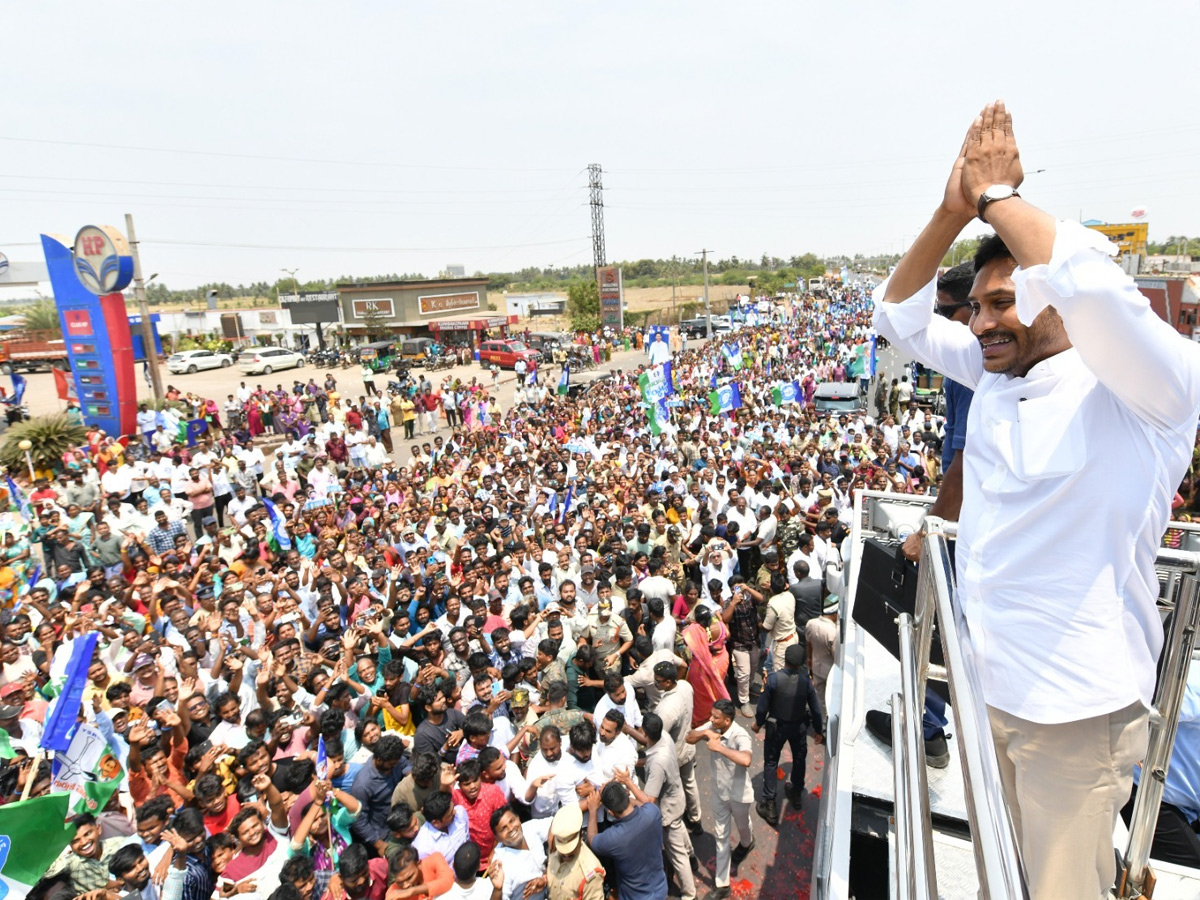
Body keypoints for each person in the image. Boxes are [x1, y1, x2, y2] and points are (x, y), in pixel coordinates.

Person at [873, 100, 1200, 898]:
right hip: (991, 688)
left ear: (1050, 300)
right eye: (977, 307)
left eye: (1001, 303)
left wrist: (997, 197)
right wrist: (952, 210)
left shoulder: (1144, 389)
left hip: (1076, 713)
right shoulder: (995, 372)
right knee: (1009, 875)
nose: (982, 321)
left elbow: (1095, 288)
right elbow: (897, 316)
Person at [687, 699, 753, 900]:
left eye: (715, 717)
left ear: (727, 720)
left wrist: (720, 748)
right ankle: (722, 884)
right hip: (719, 794)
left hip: (740, 795)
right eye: (711, 715)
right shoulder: (712, 725)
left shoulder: (740, 734)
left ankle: (747, 842)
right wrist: (705, 733)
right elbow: (689, 737)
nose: (711, 719)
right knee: (721, 837)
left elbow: (746, 759)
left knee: (743, 827)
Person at [752, 643, 824, 825]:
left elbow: (763, 706)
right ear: (801, 663)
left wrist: (758, 723)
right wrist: (818, 730)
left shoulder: (774, 680)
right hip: (799, 727)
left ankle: (769, 805)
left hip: (776, 727)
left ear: (785, 659)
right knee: (799, 758)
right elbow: (816, 710)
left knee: (771, 761)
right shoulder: (806, 683)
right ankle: (796, 793)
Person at [585, 778, 667, 900]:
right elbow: (644, 804)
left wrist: (592, 811)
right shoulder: (652, 813)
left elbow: (592, 839)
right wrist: (624, 796)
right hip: (660, 889)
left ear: (611, 812)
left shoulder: (613, 838)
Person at [545, 804, 604, 900]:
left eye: (570, 847)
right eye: (562, 847)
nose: (566, 853)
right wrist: (544, 881)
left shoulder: (590, 873)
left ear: (581, 837)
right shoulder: (553, 847)